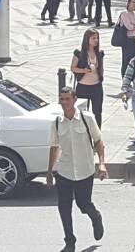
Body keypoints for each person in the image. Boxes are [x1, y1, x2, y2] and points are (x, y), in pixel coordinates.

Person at [46, 87, 107, 252]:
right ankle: (70, 241)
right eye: (62, 99)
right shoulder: (57, 122)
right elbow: (54, 147)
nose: (64, 103)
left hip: (84, 169)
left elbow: (98, 141)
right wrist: (50, 172)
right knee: (64, 207)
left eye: (67, 99)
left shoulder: (87, 118)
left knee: (83, 204)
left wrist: (101, 164)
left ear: (74, 100)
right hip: (64, 171)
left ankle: (95, 216)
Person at [71, 28, 105, 126]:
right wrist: (83, 70)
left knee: (97, 112)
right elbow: (73, 68)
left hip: (96, 87)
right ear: (87, 39)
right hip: (83, 86)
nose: (96, 40)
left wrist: (101, 76)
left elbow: (101, 67)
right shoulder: (79, 53)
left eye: (97, 38)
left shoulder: (99, 53)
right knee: (81, 113)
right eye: (93, 38)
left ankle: (97, 134)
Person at [116, 0, 135, 79]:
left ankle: (133, 78)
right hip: (127, 40)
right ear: (128, 3)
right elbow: (129, 27)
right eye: (133, 2)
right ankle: (125, 79)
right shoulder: (124, 13)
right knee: (126, 61)